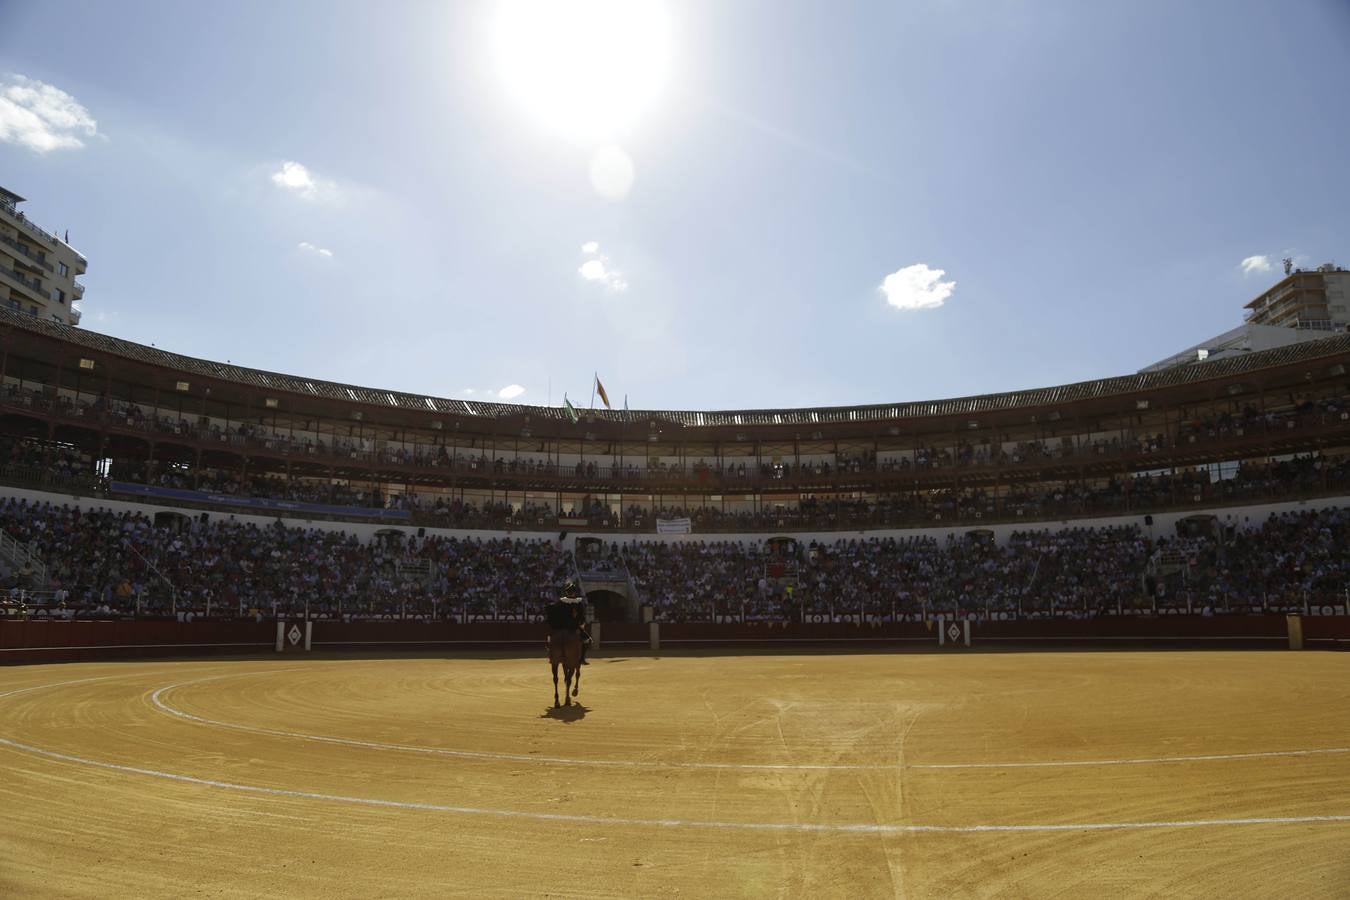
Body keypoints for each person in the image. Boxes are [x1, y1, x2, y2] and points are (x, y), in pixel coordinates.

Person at [546, 580, 591, 664]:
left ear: (566, 592)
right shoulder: (578, 603)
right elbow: (582, 616)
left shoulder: (561, 602)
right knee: (587, 640)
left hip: (561, 626)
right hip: (574, 627)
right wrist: (582, 624)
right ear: (574, 593)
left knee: (550, 639)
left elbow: (552, 611)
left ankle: (551, 656)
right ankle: (581, 658)